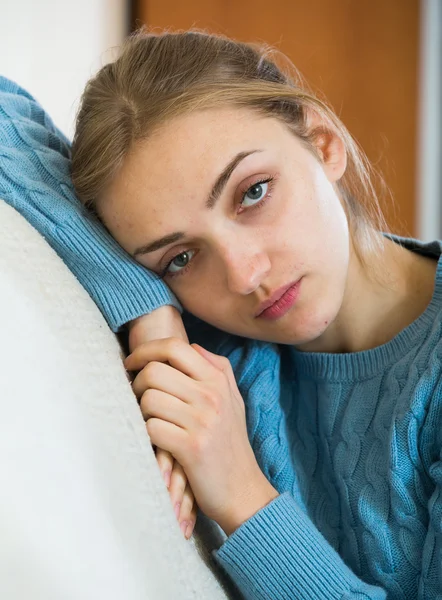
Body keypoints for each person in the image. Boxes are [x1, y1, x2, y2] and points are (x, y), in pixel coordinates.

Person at [1, 28, 442, 600]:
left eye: (253, 192)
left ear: (323, 142)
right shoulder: (203, 341)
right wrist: (148, 307)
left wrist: (240, 494)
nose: (244, 275)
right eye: (182, 257)